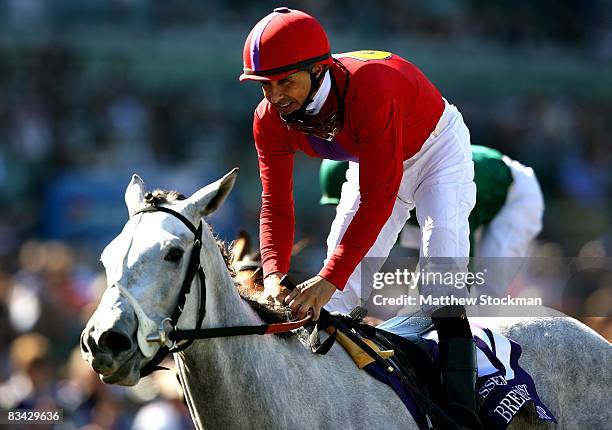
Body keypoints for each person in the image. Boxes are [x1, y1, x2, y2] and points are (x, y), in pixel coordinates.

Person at [241, 8, 479, 428]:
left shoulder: (371, 89)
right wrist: (274, 273)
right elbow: (275, 202)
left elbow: (379, 198)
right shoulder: (268, 120)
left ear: (317, 69)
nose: (276, 96)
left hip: (437, 152)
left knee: (441, 278)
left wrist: (328, 275)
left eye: (285, 82)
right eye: (265, 86)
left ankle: (464, 413)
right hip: (373, 160)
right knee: (336, 297)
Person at [319, 146, 545, 297]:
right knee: (422, 299)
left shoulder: (425, 188)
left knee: (484, 293)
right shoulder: (397, 186)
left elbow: (459, 249)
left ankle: (486, 366)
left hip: (514, 196)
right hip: (477, 203)